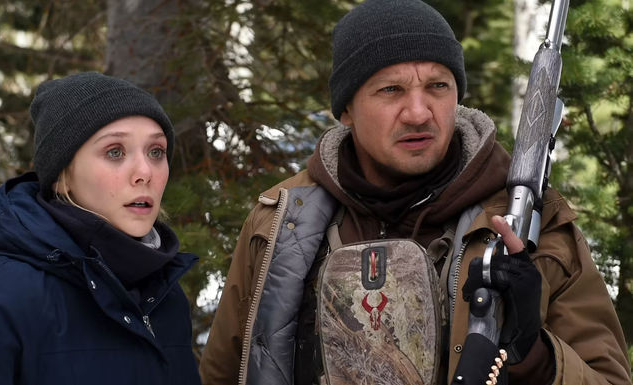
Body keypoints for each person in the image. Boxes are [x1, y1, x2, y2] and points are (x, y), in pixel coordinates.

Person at [199, 1, 631, 384]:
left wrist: (535, 356)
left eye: (438, 87)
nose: (419, 112)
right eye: (392, 90)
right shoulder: (280, 221)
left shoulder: (532, 222)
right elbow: (222, 374)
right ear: (347, 108)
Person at [0, 72, 201, 385]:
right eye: (115, 151)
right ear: (62, 175)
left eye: (156, 152)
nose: (145, 172)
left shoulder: (164, 295)